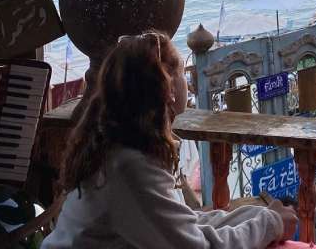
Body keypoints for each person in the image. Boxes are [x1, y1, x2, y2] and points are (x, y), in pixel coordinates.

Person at [42, 31, 297, 249]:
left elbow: (186, 225)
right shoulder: (129, 168)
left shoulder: (122, 149)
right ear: (167, 89)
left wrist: (258, 214)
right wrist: (270, 223)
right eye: (177, 69)